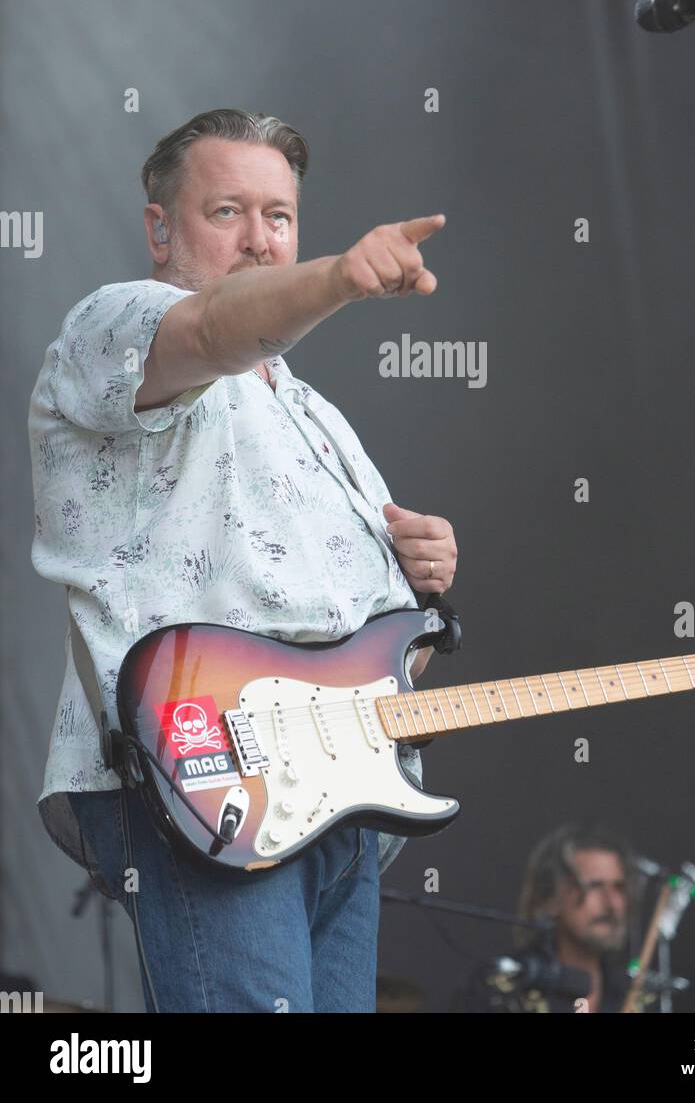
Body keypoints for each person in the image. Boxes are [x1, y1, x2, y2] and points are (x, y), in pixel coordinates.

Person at [28, 107, 458, 1013]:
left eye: (281, 218)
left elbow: (374, 645)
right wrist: (338, 277)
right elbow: (217, 330)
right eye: (228, 212)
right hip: (202, 773)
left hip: (336, 798)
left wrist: (414, 581)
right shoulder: (114, 322)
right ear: (159, 228)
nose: (262, 241)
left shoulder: (315, 415)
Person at [456, 821, 635, 1013]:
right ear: (551, 898)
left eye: (619, 887)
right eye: (594, 885)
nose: (611, 903)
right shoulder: (503, 984)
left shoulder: (634, 992)